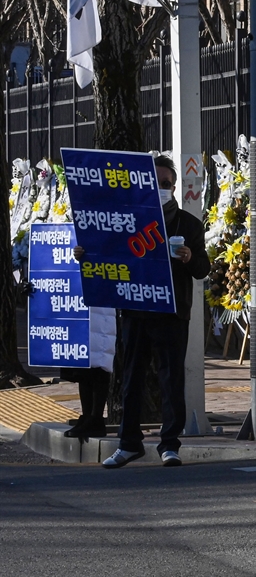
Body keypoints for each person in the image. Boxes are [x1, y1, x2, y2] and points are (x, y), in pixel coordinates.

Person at [78, 154, 211, 468]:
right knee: (131, 380)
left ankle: (169, 444)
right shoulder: (128, 221)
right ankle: (129, 444)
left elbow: (203, 269)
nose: (162, 188)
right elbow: (104, 254)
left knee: (171, 381)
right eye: (156, 183)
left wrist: (190, 257)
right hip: (136, 310)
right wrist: (85, 255)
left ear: (174, 188)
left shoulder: (189, 225)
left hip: (172, 313)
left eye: (166, 184)